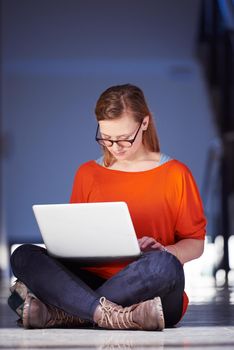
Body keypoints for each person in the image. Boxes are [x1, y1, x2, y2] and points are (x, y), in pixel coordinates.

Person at [9, 83, 206, 331]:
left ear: (144, 123)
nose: (114, 147)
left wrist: (165, 250)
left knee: (165, 266)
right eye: (107, 138)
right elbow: (74, 238)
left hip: (149, 287)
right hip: (90, 280)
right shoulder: (87, 173)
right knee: (23, 256)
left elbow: (196, 243)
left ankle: (68, 312)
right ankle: (107, 314)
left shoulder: (176, 174)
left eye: (124, 139)